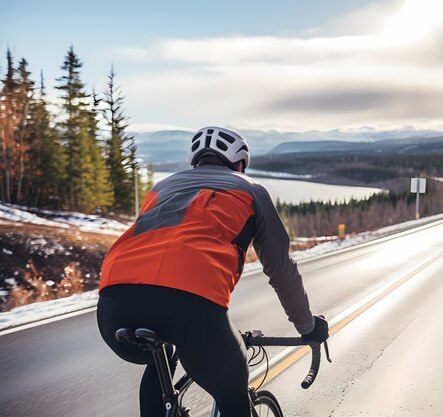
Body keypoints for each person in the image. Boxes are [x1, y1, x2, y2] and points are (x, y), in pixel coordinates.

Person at [97, 126, 328, 417]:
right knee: (233, 394)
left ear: (195, 160)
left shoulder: (161, 189)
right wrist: (308, 326)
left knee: (162, 357)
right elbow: (281, 270)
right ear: (240, 164)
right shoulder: (252, 190)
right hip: (191, 306)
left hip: (114, 302)